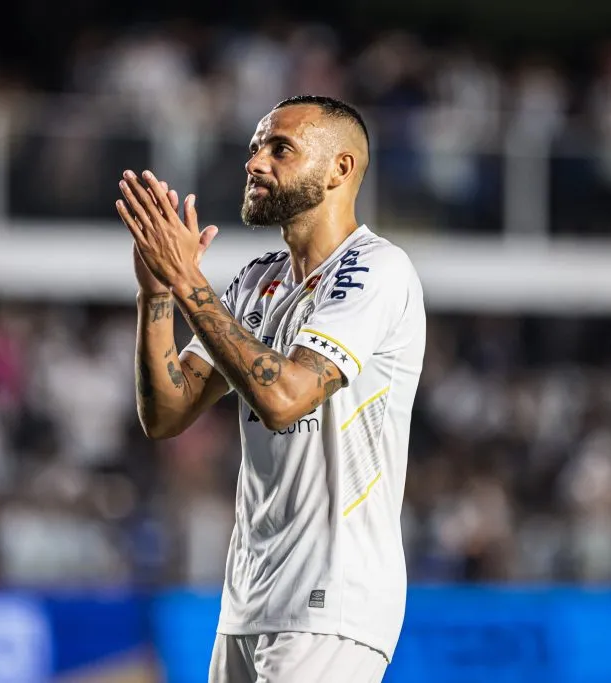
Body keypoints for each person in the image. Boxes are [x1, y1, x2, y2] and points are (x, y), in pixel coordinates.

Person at [116, 94, 426, 683]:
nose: (256, 162)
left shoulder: (378, 270)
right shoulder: (259, 279)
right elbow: (167, 413)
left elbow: (285, 399)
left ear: (341, 169)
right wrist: (157, 296)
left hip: (333, 597)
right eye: (255, 148)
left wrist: (187, 279)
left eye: (280, 148)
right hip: (249, 595)